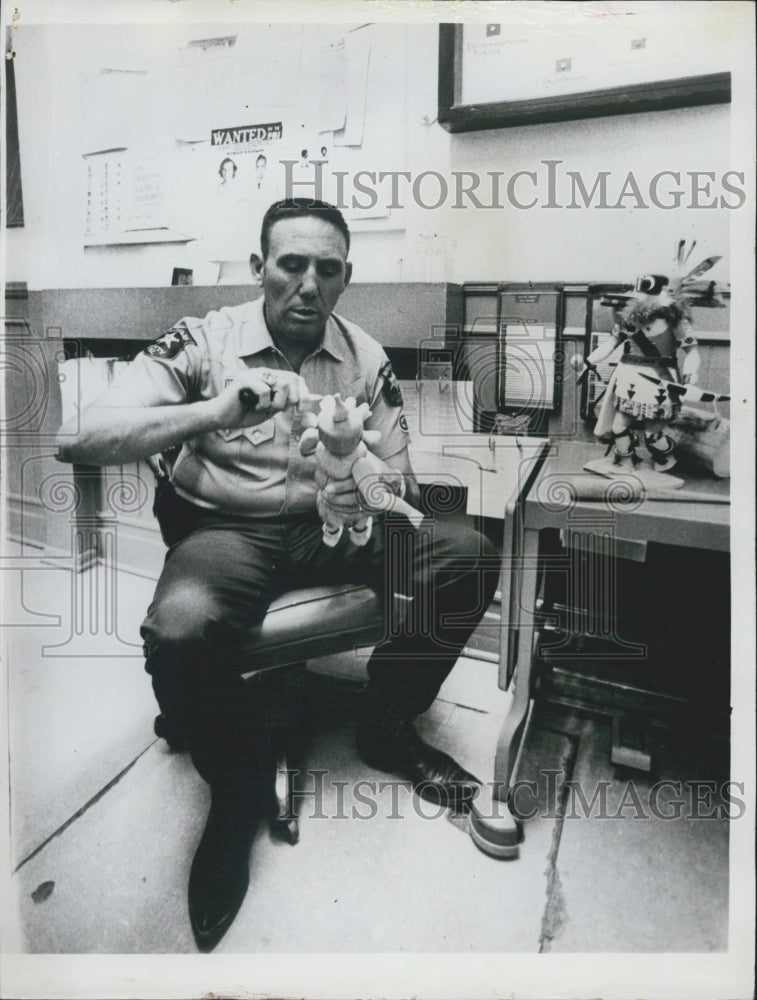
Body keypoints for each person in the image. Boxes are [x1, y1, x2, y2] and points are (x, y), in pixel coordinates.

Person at [56, 198, 499, 952]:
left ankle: (390, 725)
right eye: (291, 264)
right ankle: (235, 785)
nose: (307, 285)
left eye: (327, 270)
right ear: (260, 268)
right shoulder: (203, 340)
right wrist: (213, 411)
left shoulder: (364, 357)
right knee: (181, 629)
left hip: (336, 524)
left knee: (467, 555)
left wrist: (367, 490)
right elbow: (79, 437)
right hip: (230, 531)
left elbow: (398, 478)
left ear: (345, 278)